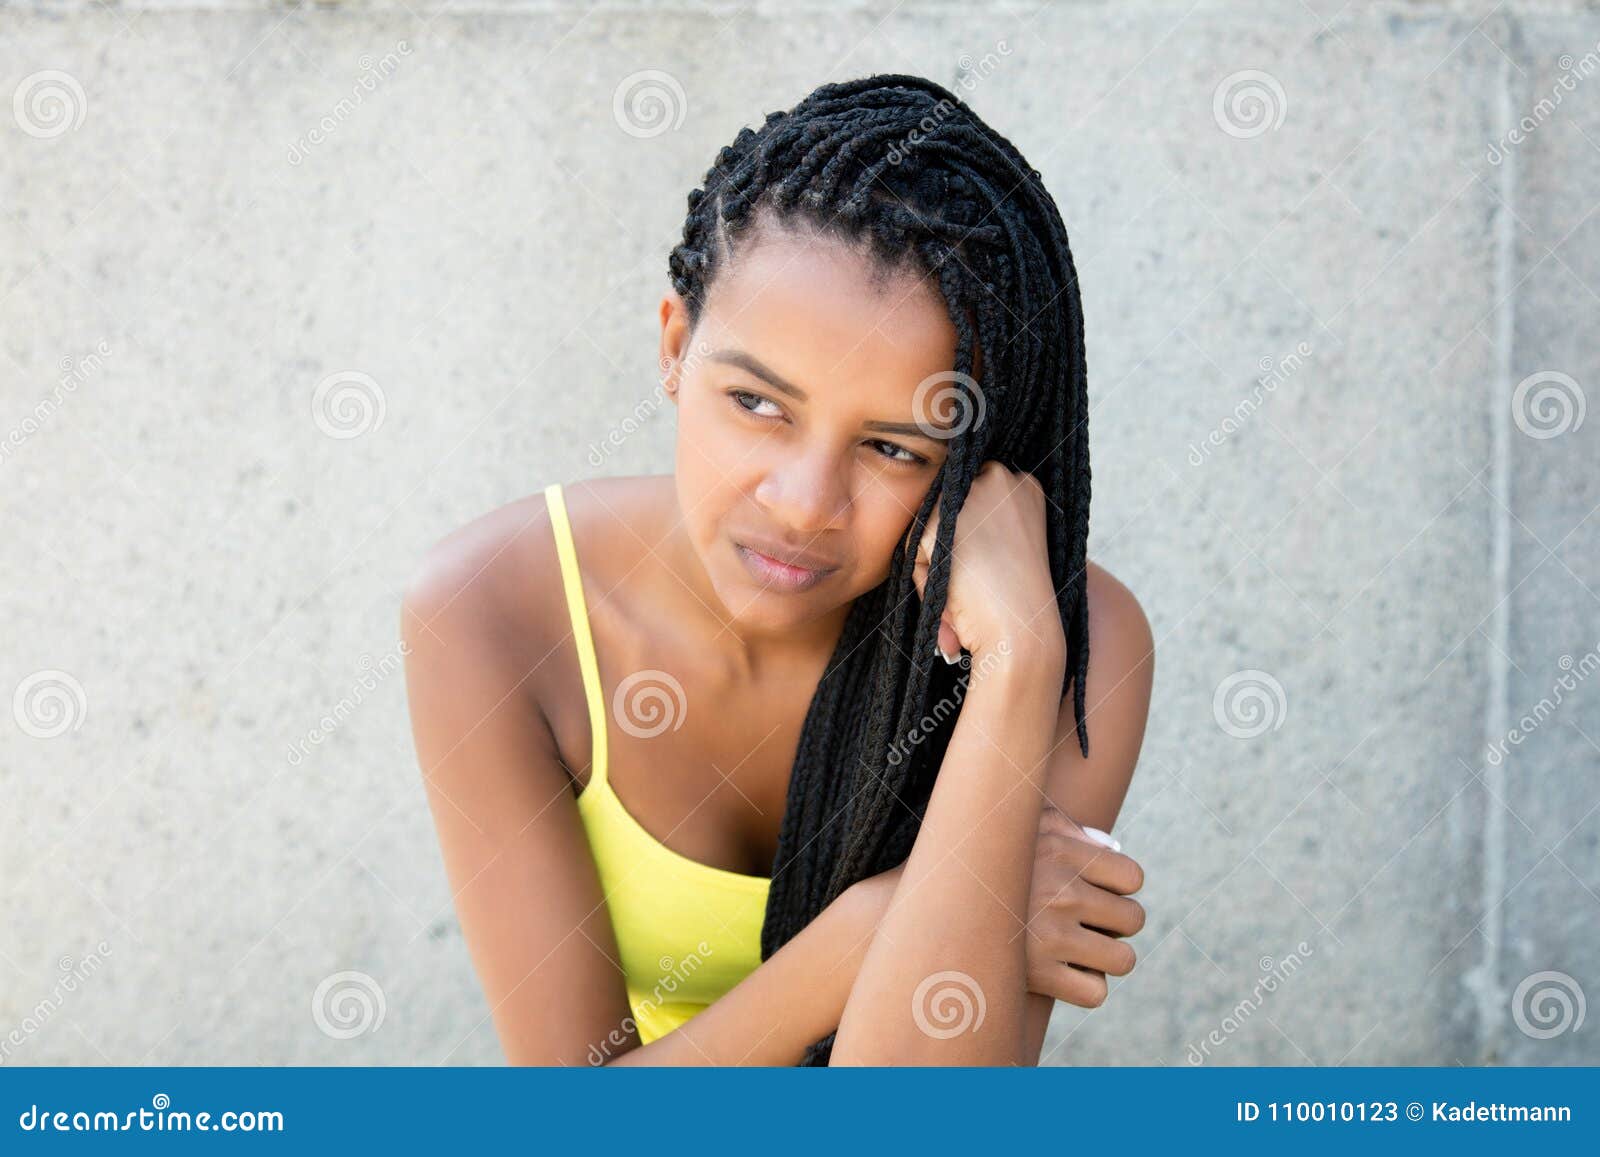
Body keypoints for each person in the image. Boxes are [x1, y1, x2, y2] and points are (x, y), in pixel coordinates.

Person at [402, 73, 1155, 1066]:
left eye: (894, 447)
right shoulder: (491, 609)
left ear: (977, 461)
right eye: (756, 403)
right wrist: (869, 928)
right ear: (676, 347)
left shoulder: (1065, 642)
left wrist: (1015, 667)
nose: (802, 502)